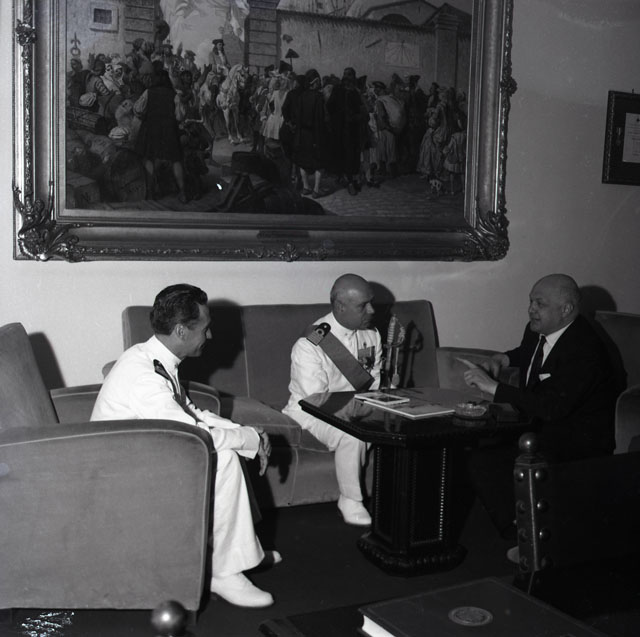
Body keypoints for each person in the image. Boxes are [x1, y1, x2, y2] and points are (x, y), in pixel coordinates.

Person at [91, 284, 279, 608]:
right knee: (224, 458)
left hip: (140, 451)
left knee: (230, 448)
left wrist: (244, 431)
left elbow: (189, 412)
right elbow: (193, 435)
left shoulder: (152, 357)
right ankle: (225, 572)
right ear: (181, 330)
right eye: (205, 329)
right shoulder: (145, 376)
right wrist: (247, 439)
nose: (209, 336)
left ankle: (242, 551)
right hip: (119, 472)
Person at [463, 273, 618, 539]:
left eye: (540, 304)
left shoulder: (586, 348)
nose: (531, 309)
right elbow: (531, 352)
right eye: (531, 301)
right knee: (470, 446)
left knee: (483, 461)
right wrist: (503, 358)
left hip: (575, 440)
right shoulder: (537, 330)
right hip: (538, 427)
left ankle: (525, 539)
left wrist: (493, 387)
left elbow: (552, 408)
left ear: (566, 309)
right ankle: (519, 524)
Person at [283, 274, 382, 526]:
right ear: (340, 306)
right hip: (310, 411)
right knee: (353, 433)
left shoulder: (372, 335)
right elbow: (315, 399)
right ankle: (350, 499)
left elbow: (374, 382)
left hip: (360, 406)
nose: (372, 310)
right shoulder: (310, 344)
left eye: (371, 303)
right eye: (363, 306)